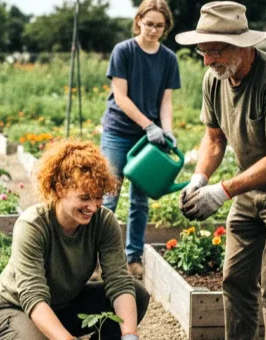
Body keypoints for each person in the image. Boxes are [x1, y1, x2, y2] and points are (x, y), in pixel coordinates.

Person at [175, 2, 266, 339]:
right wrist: (201, 179)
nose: (207, 60)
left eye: (215, 52)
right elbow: (214, 138)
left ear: (242, 46)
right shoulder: (214, 79)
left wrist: (222, 191)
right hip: (250, 185)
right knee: (235, 279)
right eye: (203, 51)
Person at [0, 140, 150, 340]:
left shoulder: (104, 222)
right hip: (16, 309)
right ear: (60, 188)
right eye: (84, 198)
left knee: (136, 294)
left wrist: (129, 335)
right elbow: (33, 296)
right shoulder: (33, 226)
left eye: (98, 197)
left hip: (66, 306)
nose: (93, 206)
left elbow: (119, 282)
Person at [100, 0, 181, 279]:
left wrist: (166, 130)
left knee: (140, 201)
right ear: (138, 21)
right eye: (149, 24)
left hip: (150, 139)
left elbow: (166, 101)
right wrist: (149, 125)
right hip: (118, 132)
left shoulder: (169, 59)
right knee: (108, 198)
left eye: (159, 26)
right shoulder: (123, 51)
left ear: (165, 27)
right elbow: (120, 97)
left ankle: (132, 257)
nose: (153, 30)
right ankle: (98, 261)